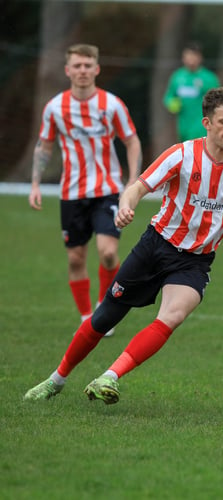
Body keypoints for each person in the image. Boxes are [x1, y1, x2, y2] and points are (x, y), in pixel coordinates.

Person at [23, 87, 223, 404]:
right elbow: (138, 187)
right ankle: (56, 379)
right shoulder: (181, 155)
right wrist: (125, 206)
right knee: (104, 317)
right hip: (156, 246)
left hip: (195, 262)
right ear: (206, 122)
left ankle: (109, 376)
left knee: (172, 316)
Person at [29, 43, 142, 336]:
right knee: (76, 258)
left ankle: (104, 309)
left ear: (96, 69)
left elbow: (131, 140)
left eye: (87, 65)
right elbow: (45, 146)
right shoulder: (55, 108)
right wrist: (36, 184)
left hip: (107, 190)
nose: (82, 71)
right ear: (68, 70)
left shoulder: (112, 104)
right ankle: (86, 317)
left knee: (107, 253)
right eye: (76, 66)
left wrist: (133, 180)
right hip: (72, 193)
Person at [163, 42, 220, 142]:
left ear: (200, 58)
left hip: (202, 126)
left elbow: (219, 100)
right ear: (183, 58)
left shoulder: (209, 78)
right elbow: (169, 96)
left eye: (194, 56)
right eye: (188, 55)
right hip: (183, 126)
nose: (191, 59)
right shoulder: (177, 76)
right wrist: (172, 103)